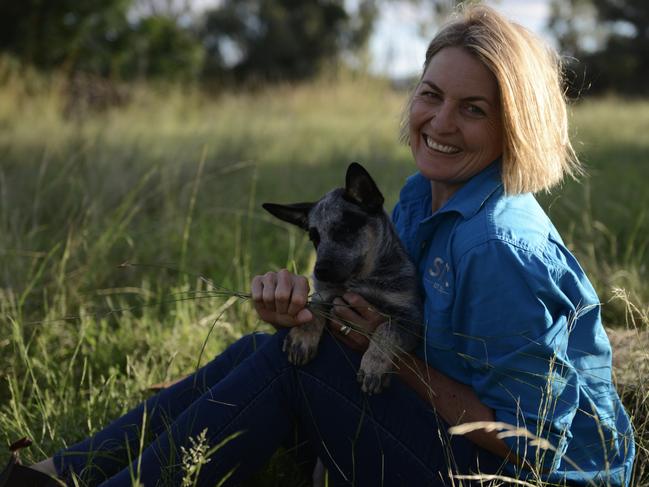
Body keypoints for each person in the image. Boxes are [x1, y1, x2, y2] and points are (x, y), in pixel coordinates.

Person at [1, 4, 635, 486]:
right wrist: (311, 315)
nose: (440, 123)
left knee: (285, 369)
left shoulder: (497, 246)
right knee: (272, 346)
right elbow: (378, 313)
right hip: (457, 437)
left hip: (526, 475)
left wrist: (381, 354)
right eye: (431, 95)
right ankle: (60, 474)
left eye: (474, 109)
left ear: (514, 126)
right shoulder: (423, 197)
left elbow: (533, 441)